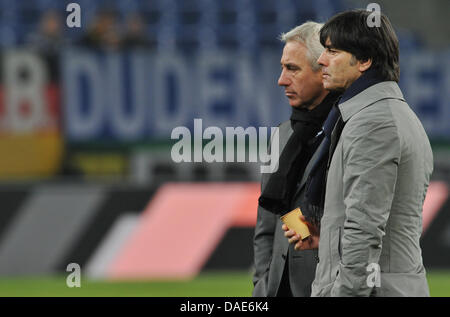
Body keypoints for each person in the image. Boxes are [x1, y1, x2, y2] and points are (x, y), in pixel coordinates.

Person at [285, 10, 433, 297]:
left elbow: (364, 231)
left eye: (332, 51)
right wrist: (329, 236)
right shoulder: (385, 113)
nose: (321, 60)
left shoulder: (373, 124)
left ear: (364, 60)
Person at [253, 22, 340, 297]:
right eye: (282, 67)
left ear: (323, 70)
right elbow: (267, 226)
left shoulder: (349, 132)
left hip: (327, 287)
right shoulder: (281, 135)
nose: (281, 79)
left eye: (292, 68)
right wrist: (261, 285)